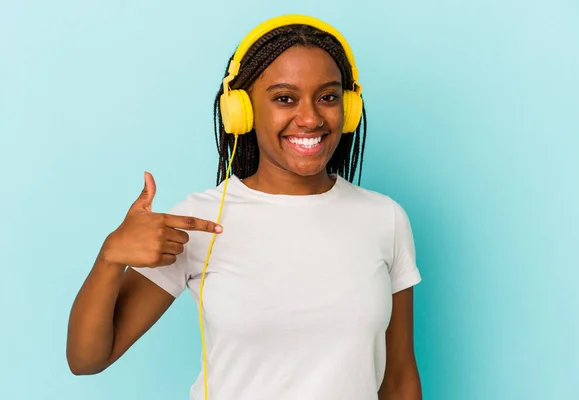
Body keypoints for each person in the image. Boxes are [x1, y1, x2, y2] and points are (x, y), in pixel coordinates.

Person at [66, 14, 423, 400]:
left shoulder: (384, 218)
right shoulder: (199, 220)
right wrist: (110, 258)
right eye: (285, 98)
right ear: (242, 111)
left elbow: (400, 377)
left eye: (328, 97)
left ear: (349, 107)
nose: (310, 118)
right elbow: (87, 360)